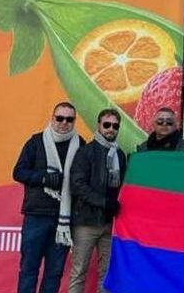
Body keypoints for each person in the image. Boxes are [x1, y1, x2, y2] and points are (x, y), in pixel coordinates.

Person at [13, 101, 84, 293]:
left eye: (69, 119)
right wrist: (43, 178)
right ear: (52, 118)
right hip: (36, 215)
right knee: (29, 269)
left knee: (54, 272)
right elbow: (18, 172)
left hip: (64, 219)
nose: (64, 123)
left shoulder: (81, 145)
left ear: (74, 121)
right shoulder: (35, 142)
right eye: (59, 118)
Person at [68, 108, 128, 293]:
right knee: (79, 272)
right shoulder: (85, 152)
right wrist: (103, 202)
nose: (111, 129)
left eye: (115, 126)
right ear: (99, 126)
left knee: (107, 273)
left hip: (110, 224)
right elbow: (77, 186)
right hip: (86, 222)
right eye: (107, 125)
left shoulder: (120, 155)